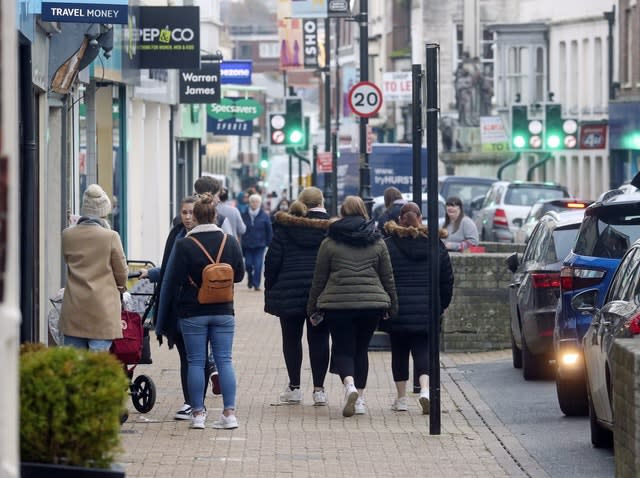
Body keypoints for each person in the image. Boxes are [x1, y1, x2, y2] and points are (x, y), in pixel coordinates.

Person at [307, 196, 398, 417]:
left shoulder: (329, 242)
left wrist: (312, 307)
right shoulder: (377, 241)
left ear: (342, 212)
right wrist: (392, 304)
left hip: (338, 304)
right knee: (361, 350)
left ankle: (349, 386)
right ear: (363, 212)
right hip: (371, 304)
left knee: (343, 348)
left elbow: (319, 278)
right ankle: (361, 401)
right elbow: (387, 276)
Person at [160, 193, 245, 429]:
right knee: (224, 360)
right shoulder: (230, 241)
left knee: (196, 361)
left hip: (192, 311)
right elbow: (239, 274)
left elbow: (174, 278)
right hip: (224, 310)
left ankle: (197, 414)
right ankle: (229, 414)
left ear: (195, 217)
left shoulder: (184, 244)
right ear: (215, 216)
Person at [147, 196, 219, 420]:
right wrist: (152, 274)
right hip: (177, 307)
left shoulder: (206, 237)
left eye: (191, 213)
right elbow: (170, 269)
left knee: (194, 357)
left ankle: (195, 403)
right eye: (184, 212)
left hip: (200, 306)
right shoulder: (176, 234)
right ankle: (192, 402)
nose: (187, 217)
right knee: (185, 355)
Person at [382, 202, 454, 414]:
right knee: (423, 350)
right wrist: (442, 304)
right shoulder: (435, 244)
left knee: (399, 352)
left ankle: (401, 398)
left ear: (400, 219)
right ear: (420, 218)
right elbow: (447, 279)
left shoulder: (389, 244)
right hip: (427, 309)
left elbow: (383, 277)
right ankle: (424, 390)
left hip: (398, 309)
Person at [264, 188, 331, 406]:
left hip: (289, 290)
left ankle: (294, 387)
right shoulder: (329, 229)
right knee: (319, 338)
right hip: (320, 292)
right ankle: (319, 390)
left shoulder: (286, 227)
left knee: (291, 339)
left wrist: (271, 285)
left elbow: (272, 260)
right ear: (321, 202)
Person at [59, 184, 128, 351]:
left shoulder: (67, 234)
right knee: (96, 367)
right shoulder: (111, 236)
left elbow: (67, 260)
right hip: (102, 310)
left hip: (74, 308)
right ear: (103, 211)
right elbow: (121, 272)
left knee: (74, 366)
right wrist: (120, 287)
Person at [241, 194, 272, 291]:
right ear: (249, 203)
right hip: (247, 244)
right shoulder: (244, 215)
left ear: (260, 203)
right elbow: (241, 229)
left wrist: (269, 243)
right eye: (252, 201)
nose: (254, 203)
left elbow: (269, 230)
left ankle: (256, 284)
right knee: (248, 264)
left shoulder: (265, 216)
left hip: (260, 244)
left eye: (257, 202)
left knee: (258, 265)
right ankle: (250, 278)